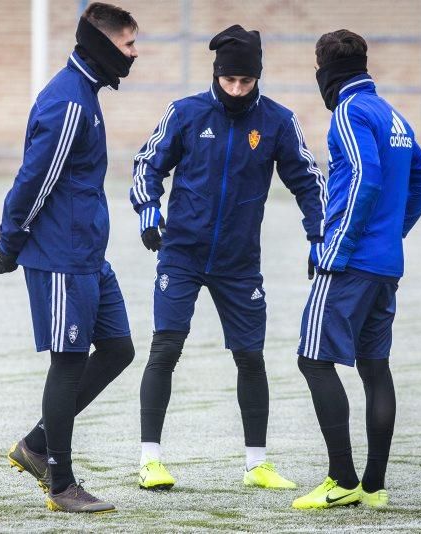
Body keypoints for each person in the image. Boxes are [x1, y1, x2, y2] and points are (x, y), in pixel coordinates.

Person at [130, 25, 326, 491]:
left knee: (250, 357)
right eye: (229, 80)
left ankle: (257, 463)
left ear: (258, 77)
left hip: (240, 264)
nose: (236, 89)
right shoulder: (185, 112)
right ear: (216, 75)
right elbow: (147, 164)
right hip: (180, 253)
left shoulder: (278, 122)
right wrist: (148, 211)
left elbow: (308, 180)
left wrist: (318, 236)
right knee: (166, 348)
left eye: (246, 81)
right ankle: (150, 459)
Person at [0, 2, 138, 514]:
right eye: (128, 45)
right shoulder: (69, 102)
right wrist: (11, 242)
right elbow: (36, 178)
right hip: (61, 258)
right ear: (103, 44)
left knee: (118, 349)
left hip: (89, 255)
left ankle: (34, 445)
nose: (134, 55)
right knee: (68, 363)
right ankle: (61, 484)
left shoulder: (86, 94)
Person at [291, 29, 421, 510]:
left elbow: (364, 179)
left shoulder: (349, 113)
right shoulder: (392, 114)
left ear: (324, 69)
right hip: (385, 266)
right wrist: (392, 236)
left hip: (350, 263)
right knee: (375, 369)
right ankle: (374, 486)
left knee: (313, 359)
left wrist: (337, 248)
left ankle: (342, 478)